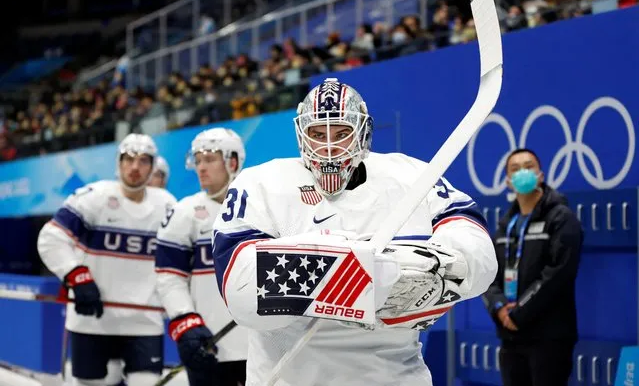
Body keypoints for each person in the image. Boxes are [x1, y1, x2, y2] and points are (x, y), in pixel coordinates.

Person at [211, 77, 498, 386]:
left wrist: (440, 267)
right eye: (318, 134)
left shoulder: (411, 175)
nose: (330, 146)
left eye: (342, 132)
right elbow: (243, 294)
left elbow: (479, 254)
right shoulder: (259, 185)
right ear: (301, 134)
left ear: (363, 132)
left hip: (396, 377)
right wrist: (365, 274)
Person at [37, 133, 177, 386]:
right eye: (129, 159)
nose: (135, 167)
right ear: (118, 162)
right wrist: (76, 276)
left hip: (143, 322)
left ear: (153, 165)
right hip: (93, 321)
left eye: (144, 160)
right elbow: (51, 237)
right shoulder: (93, 197)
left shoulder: (168, 206)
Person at [155, 128, 249, 386]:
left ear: (232, 161)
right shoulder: (183, 212)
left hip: (263, 347)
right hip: (211, 346)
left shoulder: (262, 205)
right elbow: (169, 277)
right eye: (197, 161)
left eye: (209, 159)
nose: (201, 168)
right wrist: (185, 320)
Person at [482, 148, 583, 386]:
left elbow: (559, 273)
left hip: (549, 336)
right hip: (510, 336)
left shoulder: (560, 218)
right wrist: (499, 308)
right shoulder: (507, 225)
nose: (522, 173)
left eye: (529, 167)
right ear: (507, 181)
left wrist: (519, 312)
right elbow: (489, 274)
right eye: (515, 169)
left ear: (540, 175)